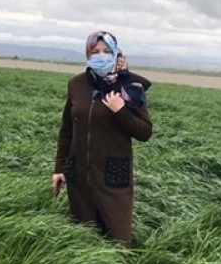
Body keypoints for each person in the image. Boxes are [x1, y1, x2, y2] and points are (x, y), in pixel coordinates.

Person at [53, 31, 153, 247]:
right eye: (95, 51)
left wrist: (121, 111)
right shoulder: (76, 85)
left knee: (117, 242)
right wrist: (59, 168)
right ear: (87, 55)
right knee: (83, 243)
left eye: (106, 51)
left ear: (116, 53)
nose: (100, 56)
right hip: (78, 177)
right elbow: (67, 130)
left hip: (113, 179)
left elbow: (145, 132)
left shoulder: (130, 87)